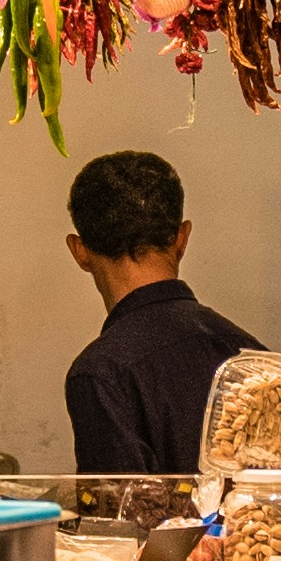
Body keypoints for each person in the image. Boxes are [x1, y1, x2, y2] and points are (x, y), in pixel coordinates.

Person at [53, 147, 259, 484]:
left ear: (79, 251)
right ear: (182, 239)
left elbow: (118, 524)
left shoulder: (99, 373)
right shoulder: (252, 354)